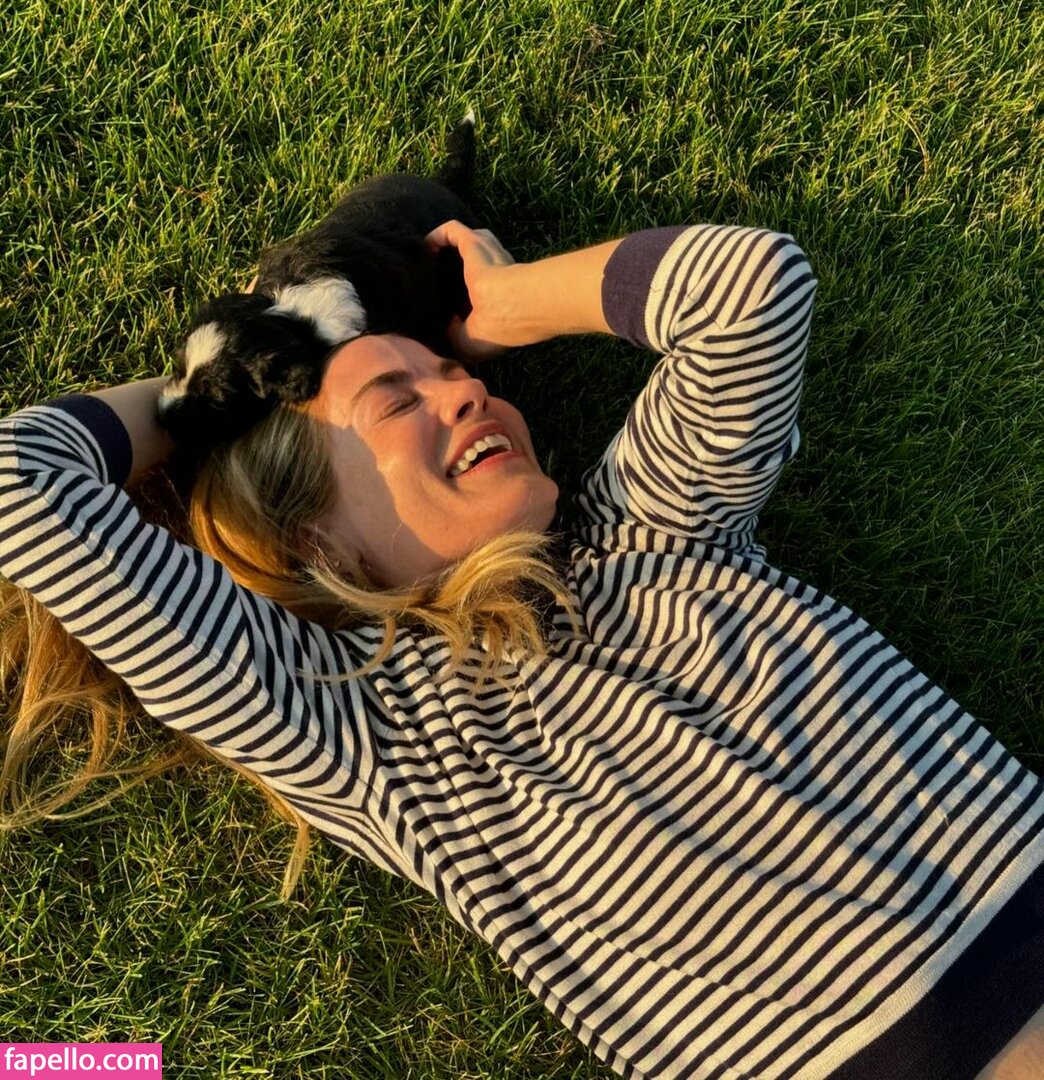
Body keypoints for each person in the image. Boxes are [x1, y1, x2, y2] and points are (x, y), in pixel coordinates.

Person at [1, 218, 1042, 1080]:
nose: (468, 392)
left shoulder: (653, 531)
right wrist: (198, 398)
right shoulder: (357, 725)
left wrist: (507, 303)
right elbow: (22, 482)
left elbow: (752, 288)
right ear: (312, 535)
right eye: (396, 402)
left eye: (455, 372)